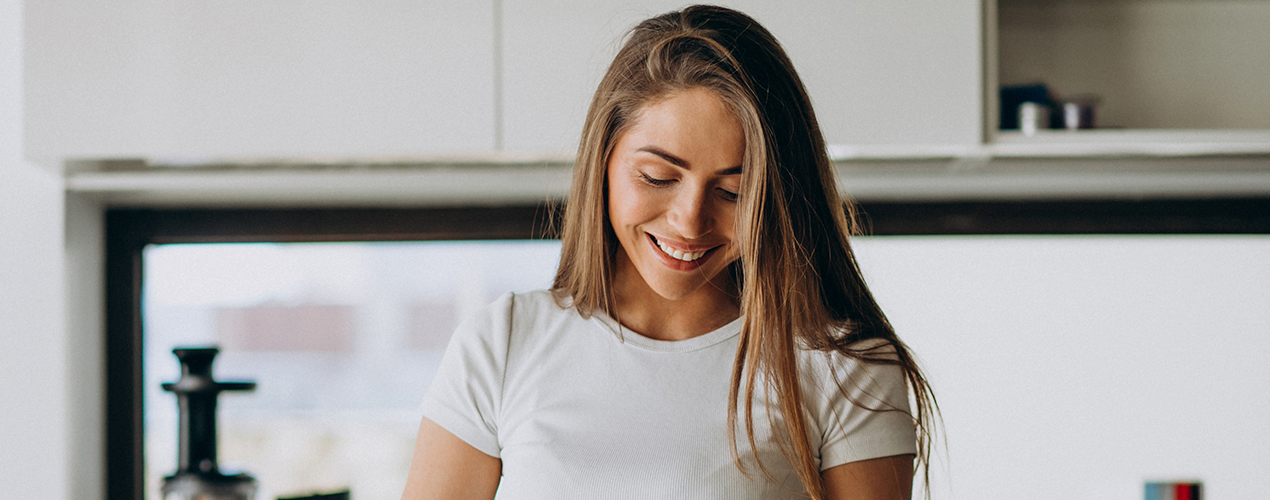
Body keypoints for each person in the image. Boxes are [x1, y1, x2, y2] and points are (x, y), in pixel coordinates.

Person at [402, 5, 937, 499]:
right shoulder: (502, 344)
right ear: (604, 160)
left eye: (734, 192)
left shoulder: (844, 366)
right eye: (658, 177)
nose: (689, 221)